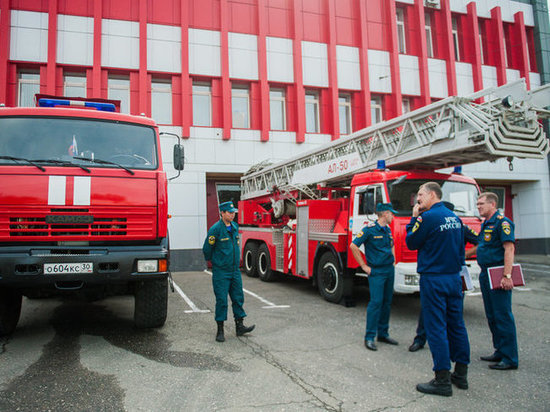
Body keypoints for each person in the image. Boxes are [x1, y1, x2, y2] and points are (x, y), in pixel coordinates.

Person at [405, 182, 470, 397]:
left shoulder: (427, 217)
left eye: (421, 195)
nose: (418, 199)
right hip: (453, 278)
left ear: (433, 194)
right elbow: (462, 247)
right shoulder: (456, 218)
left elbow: (411, 242)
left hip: (434, 279)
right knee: (457, 325)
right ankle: (460, 374)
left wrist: (414, 217)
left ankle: (442, 379)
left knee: (436, 328)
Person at [408, 202, 479, 353]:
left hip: (454, 272)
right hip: (440, 273)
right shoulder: (434, 223)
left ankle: (445, 349)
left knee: (454, 314)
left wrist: (464, 255)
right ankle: (420, 339)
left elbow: (480, 241)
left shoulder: (459, 225)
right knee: (428, 311)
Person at [467, 192, 518, 370]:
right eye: (478, 204)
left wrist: (507, 275)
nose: (478, 206)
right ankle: (500, 350)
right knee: (491, 315)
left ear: (493, 204)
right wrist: (461, 256)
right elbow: (481, 246)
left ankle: (510, 358)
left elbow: (509, 249)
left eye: (481, 204)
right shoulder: (487, 223)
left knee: (502, 315)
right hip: (485, 272)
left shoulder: (502, 223)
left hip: (497, 272)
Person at [202, 201, 255, 342]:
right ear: (222, 213)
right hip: (221, 272)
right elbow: (207, 249)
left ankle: (240, 326)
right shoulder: (215, 229)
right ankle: (220, 330)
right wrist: (215, 262)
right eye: (230, 212)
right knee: (221, 301)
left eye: (233, 212)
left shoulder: (234, 227)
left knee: (238, 298)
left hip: (235, 271)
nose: (233, 215)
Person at [350, 203, 398, 351]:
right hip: (376, 271)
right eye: (391, 213)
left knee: (387, 302)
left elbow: (391, 245)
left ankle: (383, 334)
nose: (392, 216)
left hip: (389, 270)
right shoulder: (369, 230)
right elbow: (353, 246)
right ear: (384, 214)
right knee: (376, 303)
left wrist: (393, 260)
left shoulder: (387, 230)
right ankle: (369, 337)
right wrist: (364, 266)